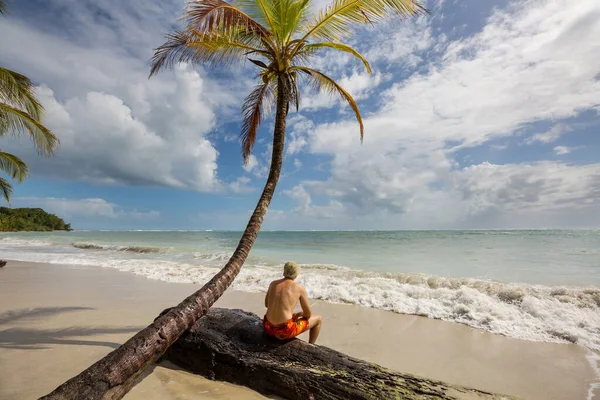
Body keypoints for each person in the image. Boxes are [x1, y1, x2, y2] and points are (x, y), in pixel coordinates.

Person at [263, 261, 323, 344]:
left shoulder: (273, 283)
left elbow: (266, 305)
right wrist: (299, 314)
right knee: (318, 319)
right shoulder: (299, 287)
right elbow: (308, 314)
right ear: (296, 274)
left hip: (268, 327)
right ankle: (311, 345)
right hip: (284, 331)